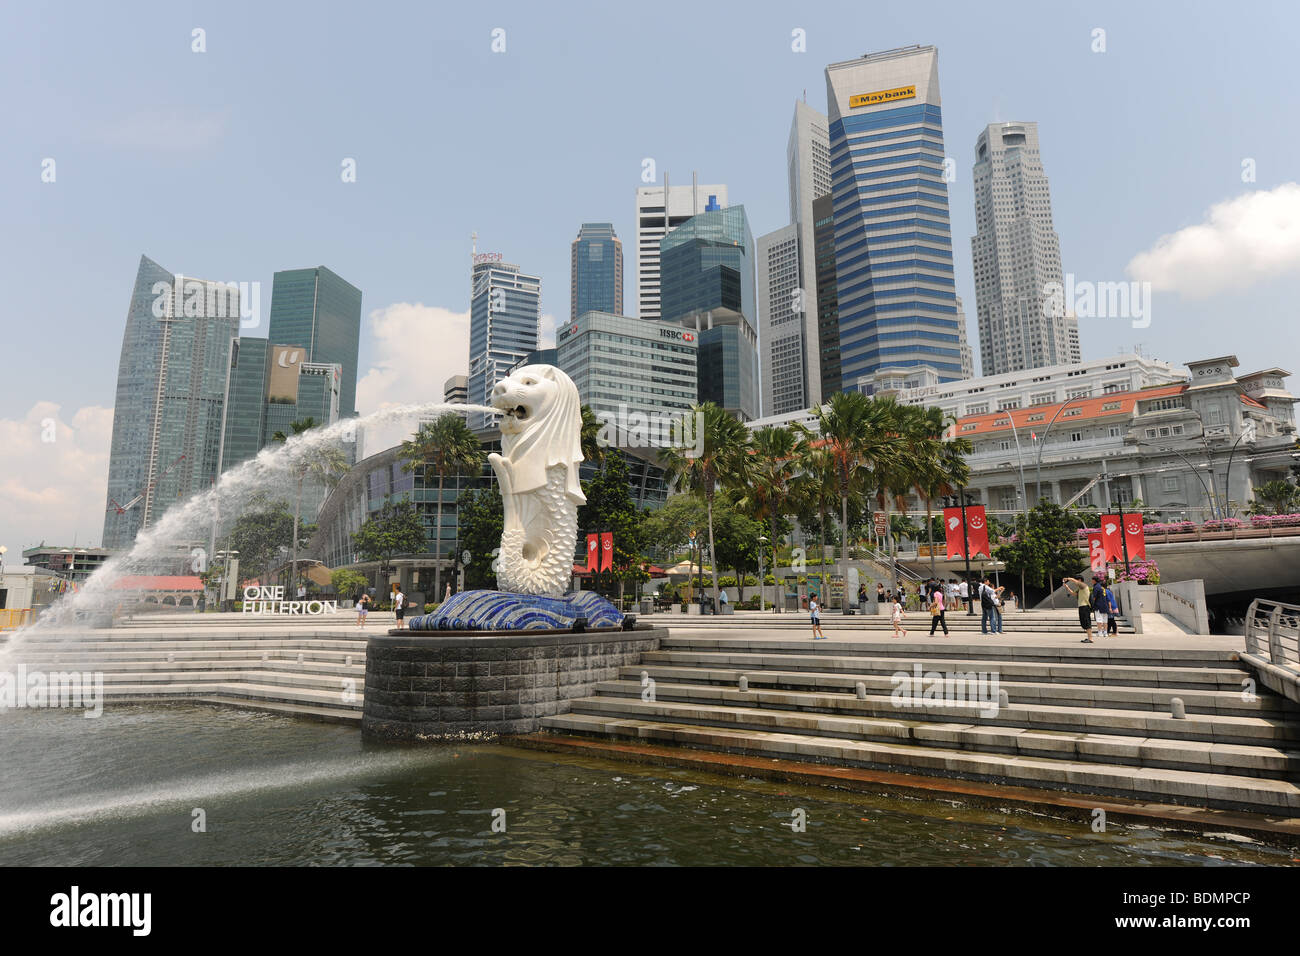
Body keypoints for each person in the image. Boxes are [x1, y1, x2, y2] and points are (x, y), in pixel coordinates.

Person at [1064, 576, 1094, 642]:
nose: (1076, 582)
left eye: (1077, 580)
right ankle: (1089, 637)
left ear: (1080, 580)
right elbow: (1073, 593)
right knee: (1084, 622)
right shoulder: (1080, 588)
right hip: (1082, 606)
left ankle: (1090, 638)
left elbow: (1075, 581)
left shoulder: (1083, 585)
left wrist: (1068, 578)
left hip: (1085, 606)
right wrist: (1067, 587)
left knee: (1087, 622)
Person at [1090, 577, 1109, 642]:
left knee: (1099, 619)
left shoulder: (1096, 587)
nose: (1091, 581)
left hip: (1098, 605)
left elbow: (1094, 597)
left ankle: (1100, 632)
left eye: (1092, 580)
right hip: (1105, 605)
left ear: (1094, 580)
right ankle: (1105, 633)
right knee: (1105, 620)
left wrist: (1091, 604)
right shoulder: (1102, 587)